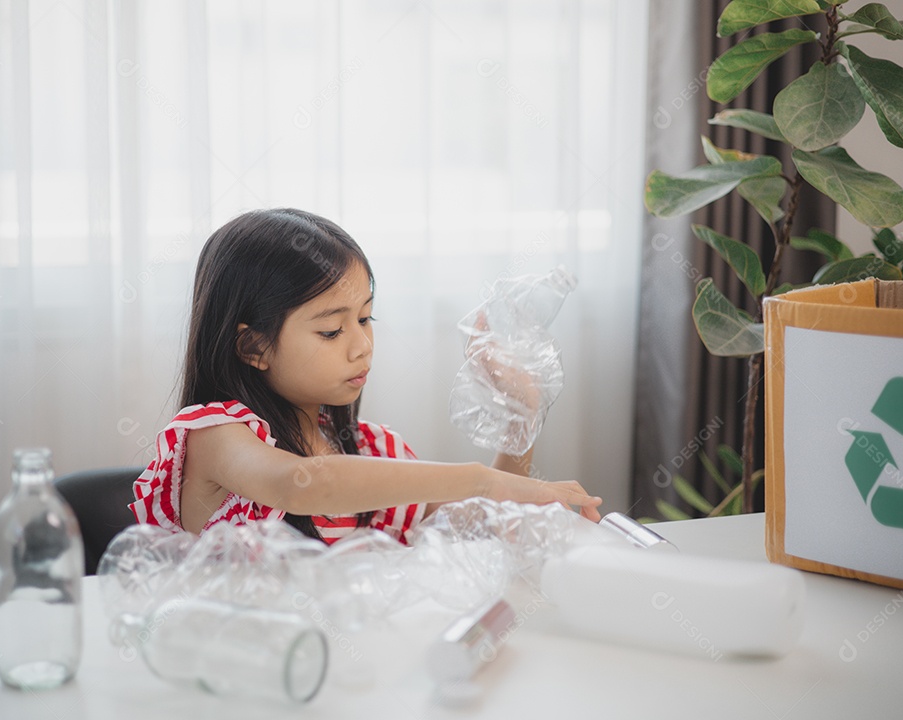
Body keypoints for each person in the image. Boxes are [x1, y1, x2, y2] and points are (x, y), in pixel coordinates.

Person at [129, 208, 602, 545]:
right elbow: (302, 483)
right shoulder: (217, 436)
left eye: (365, 319)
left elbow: (475, 530)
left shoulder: (368, 451)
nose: (362, 345)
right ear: (255, 346)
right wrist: (481, 479)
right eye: (332, 331)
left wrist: (521, 416)